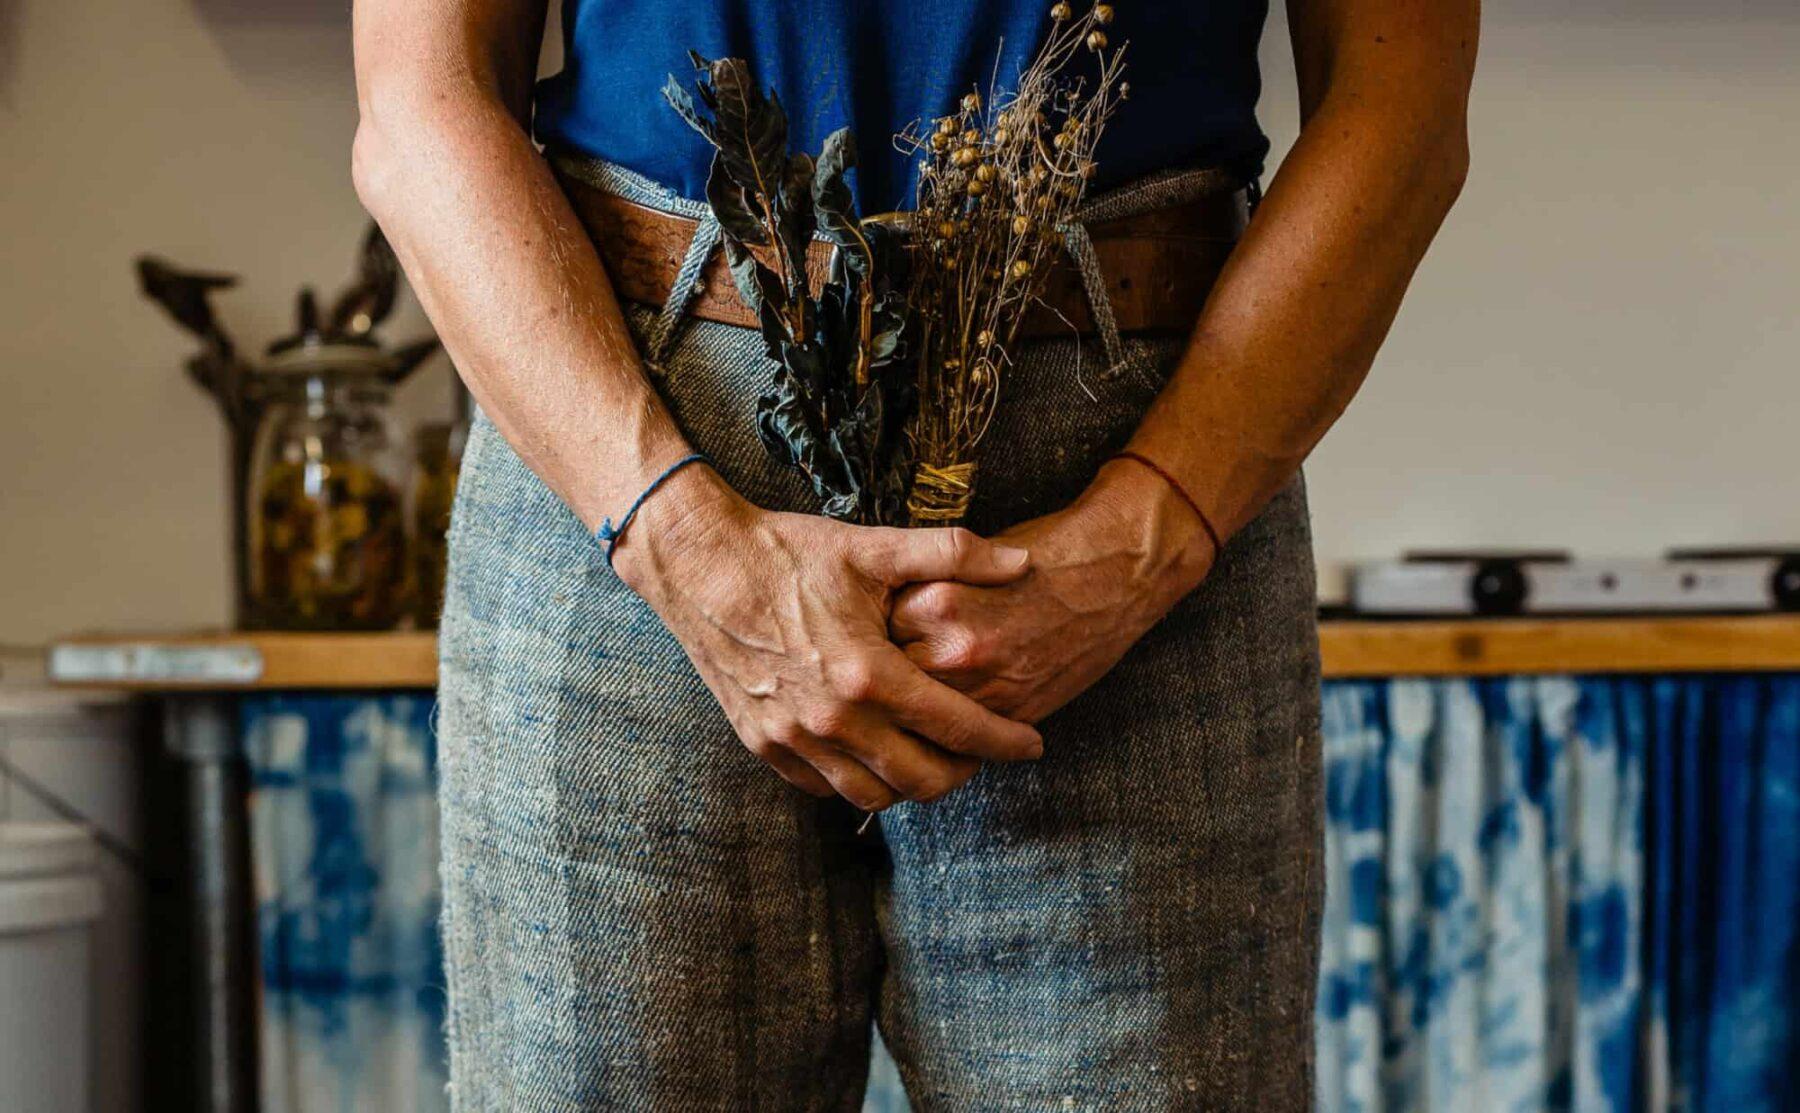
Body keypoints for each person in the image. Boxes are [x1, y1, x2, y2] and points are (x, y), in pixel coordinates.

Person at [351, 0, 1476, 1107]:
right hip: (627, 444)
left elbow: (1399, 107)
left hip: (1132, 445)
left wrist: (1152, 534)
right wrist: (679, 540)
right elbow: (420, 98)